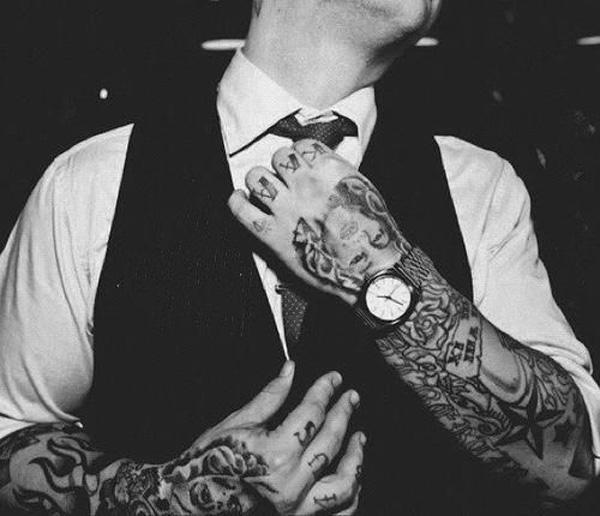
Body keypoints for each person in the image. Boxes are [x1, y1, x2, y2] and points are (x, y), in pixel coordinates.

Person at [1, 0, 599, 514]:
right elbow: (10, 429)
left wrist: (379, 269)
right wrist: (161, 496)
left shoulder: (480, 185)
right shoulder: (90, 182)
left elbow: (571, 467)